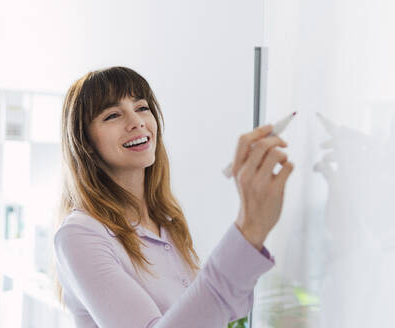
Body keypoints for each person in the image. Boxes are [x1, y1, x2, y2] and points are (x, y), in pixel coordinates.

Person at [52, 66, 294, 327]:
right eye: (112, 115)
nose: (136, 122)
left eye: (142, 107)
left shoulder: (166, 221)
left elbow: (217, 312)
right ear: (85, 142)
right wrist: (249, 229)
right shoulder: (79, 235)